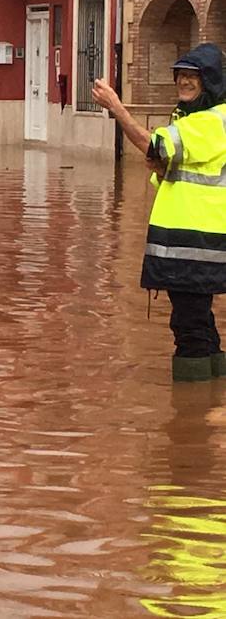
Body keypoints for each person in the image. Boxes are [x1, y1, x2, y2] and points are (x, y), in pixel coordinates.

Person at [92, 43, 226, 382]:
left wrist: (116, 107)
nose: (183, 82)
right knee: (200, 323)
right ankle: (209, 407)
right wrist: (161, 167)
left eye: (192, 77)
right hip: (195, 243)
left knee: (189, 327)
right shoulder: (199, 119)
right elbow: (168, 169)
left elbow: (153, 145)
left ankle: (189, 416)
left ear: (209, 81)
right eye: (180, 75)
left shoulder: (211, 122)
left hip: (196, 243)